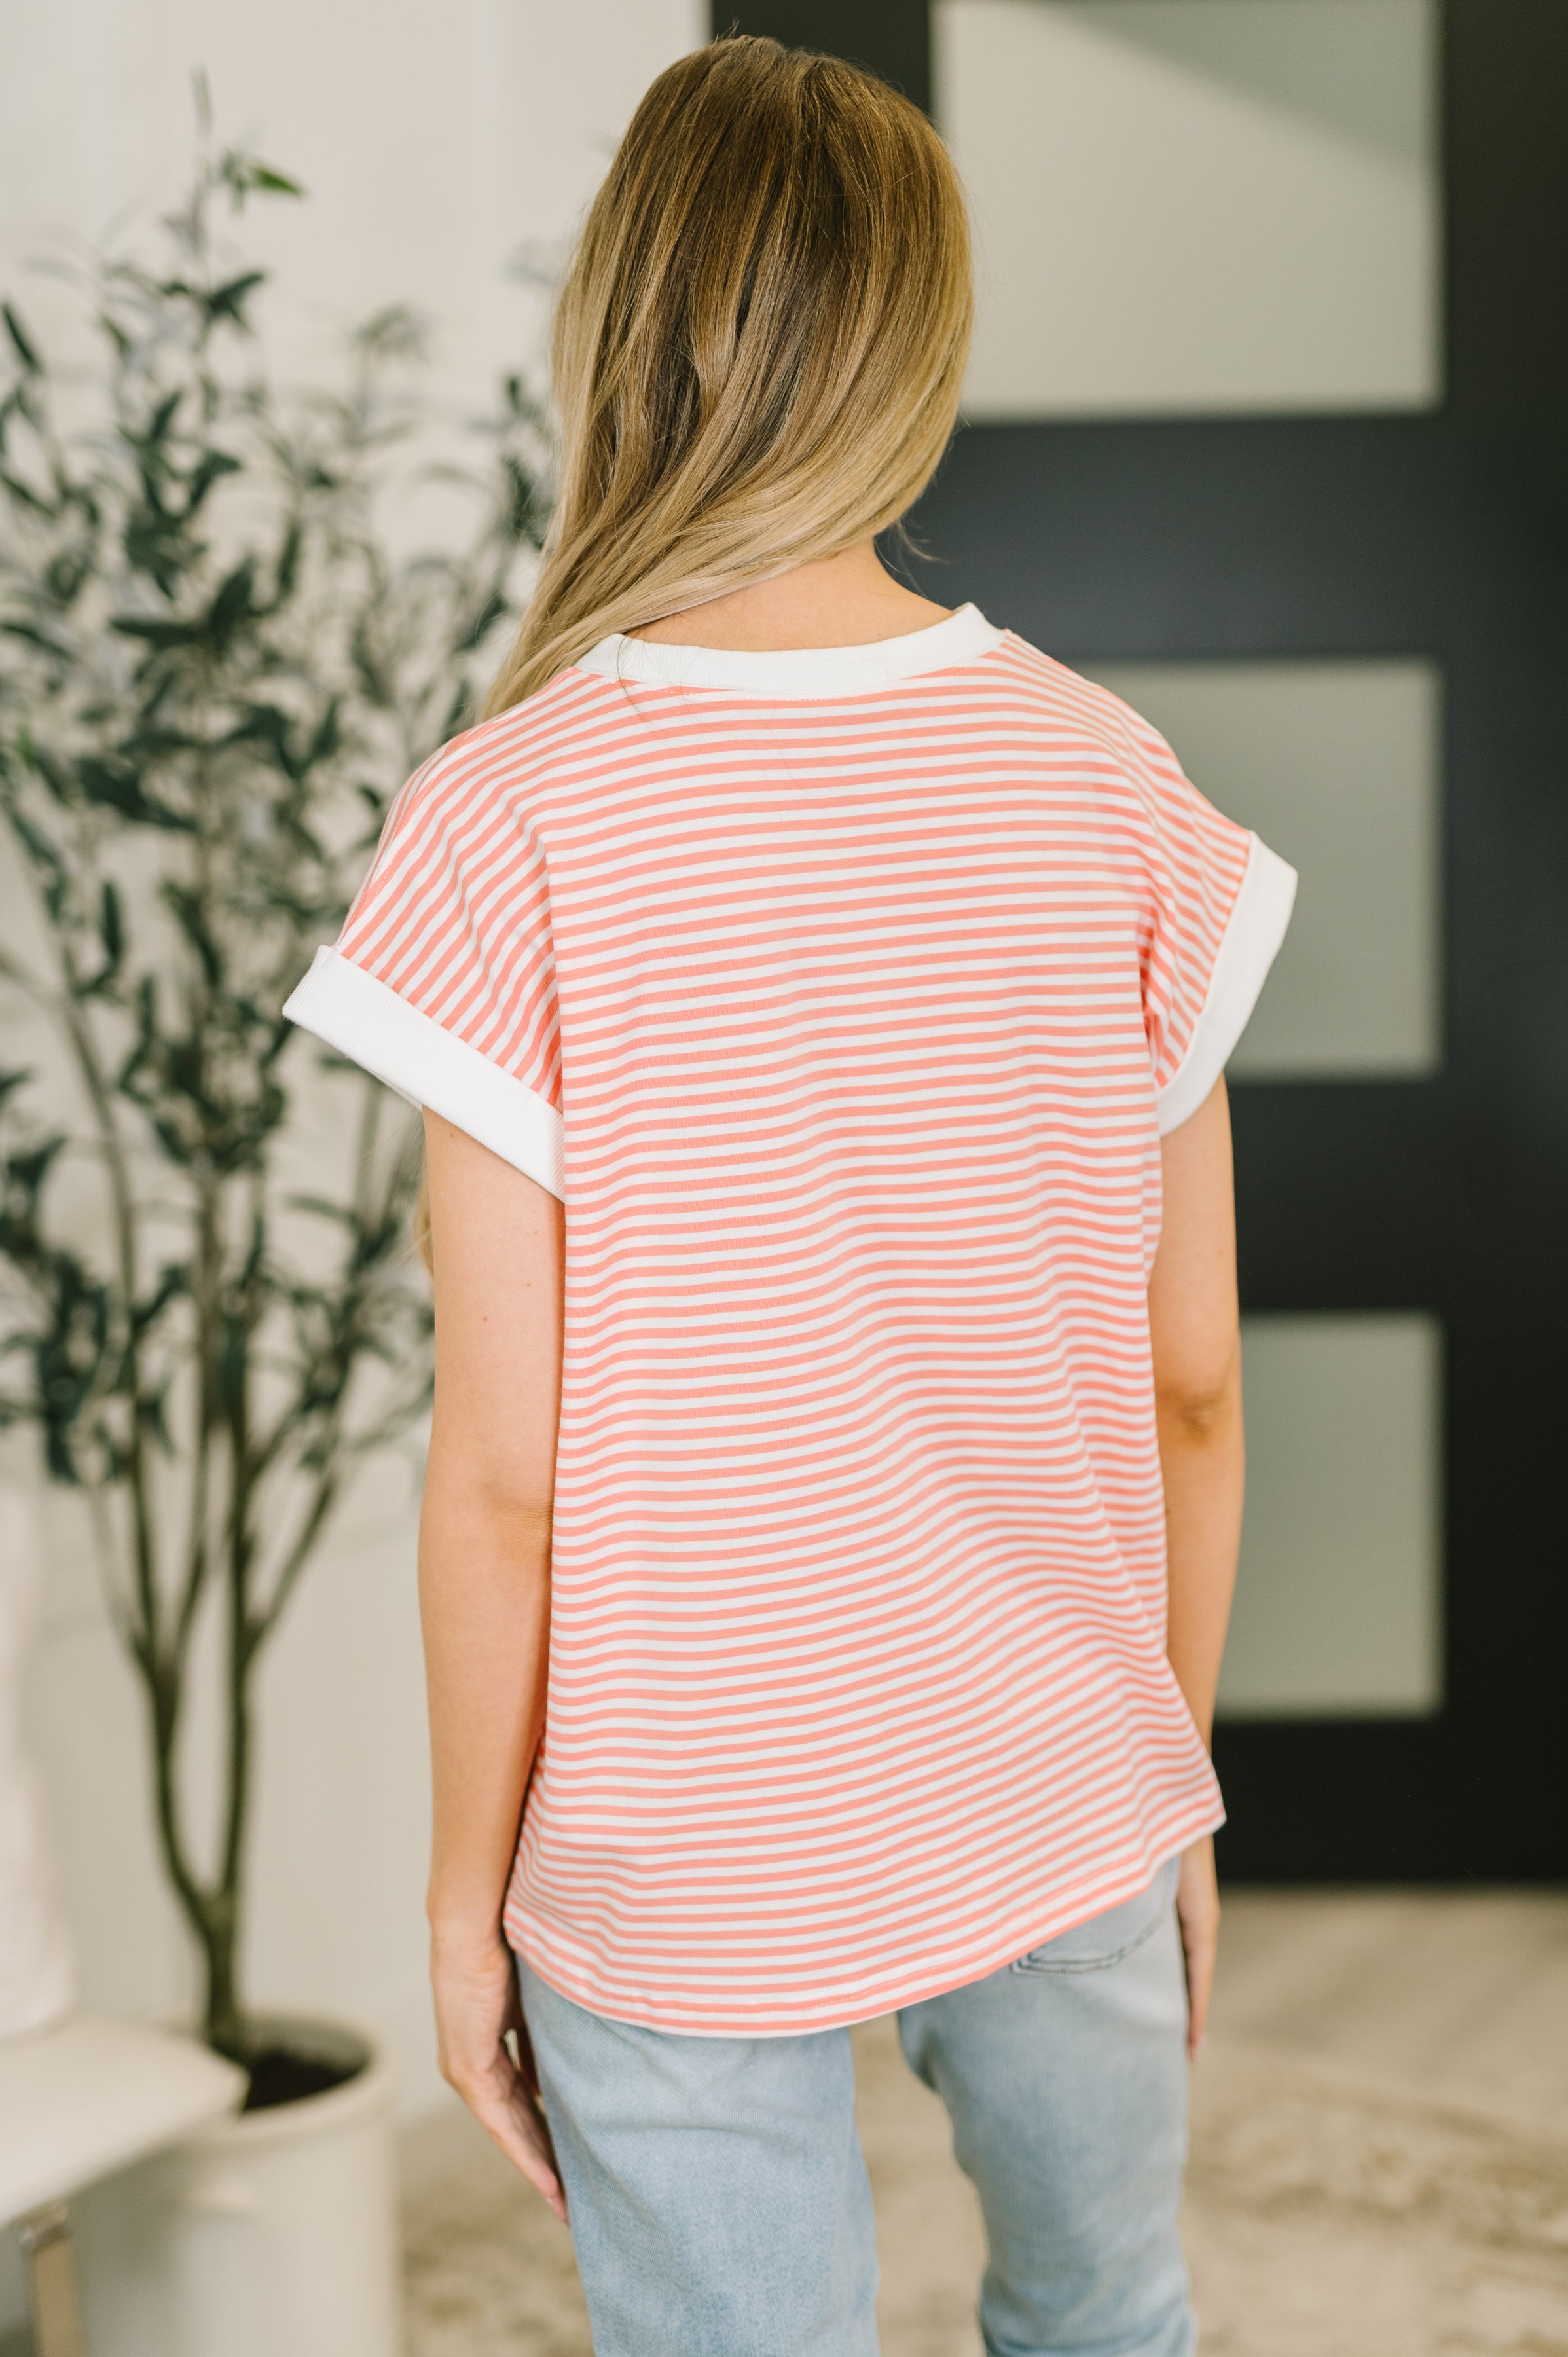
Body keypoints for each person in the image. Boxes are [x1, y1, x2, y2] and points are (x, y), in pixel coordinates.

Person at [285, 33, 1295, 2356]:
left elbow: (507, 1482)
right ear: (919, 348)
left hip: (675, 1843)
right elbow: (1193, 1387)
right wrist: (1167, 1782)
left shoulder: (506, 819)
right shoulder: (1112, 787)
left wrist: (462, 1898)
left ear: (619, 337)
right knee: (1105, 2313)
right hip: (1060, 1766)